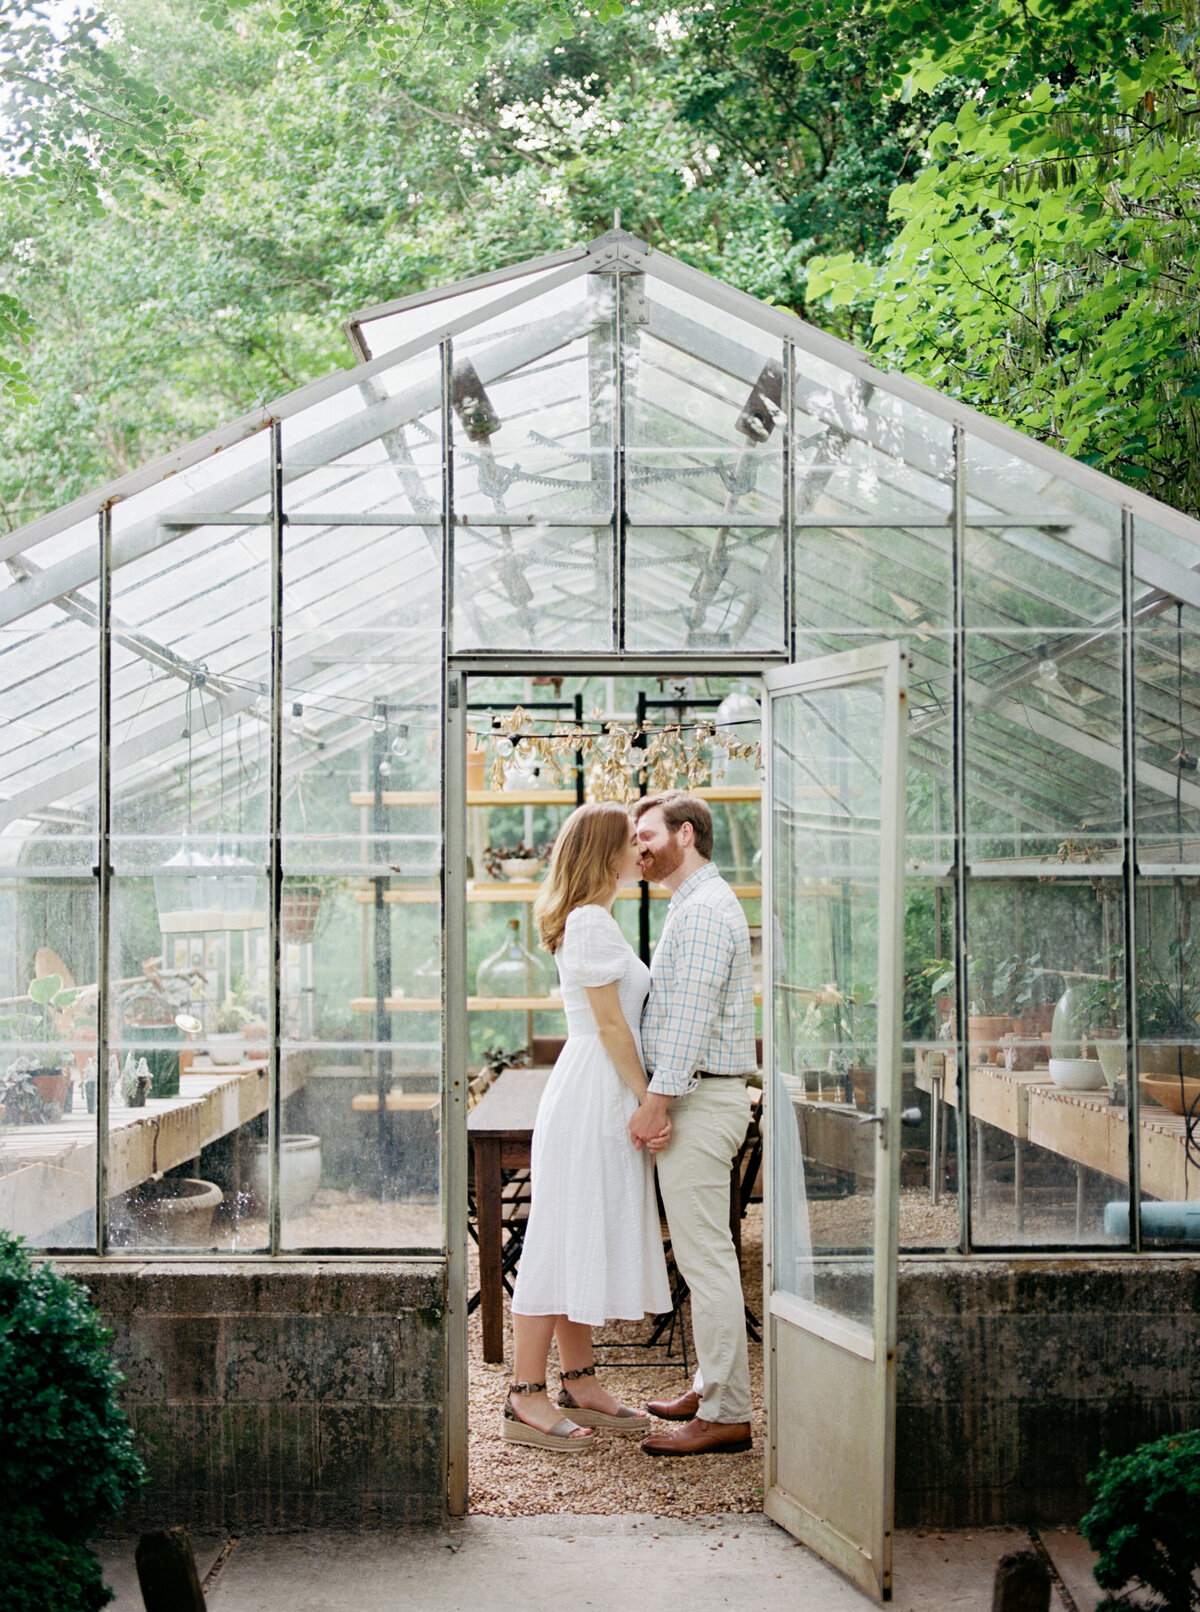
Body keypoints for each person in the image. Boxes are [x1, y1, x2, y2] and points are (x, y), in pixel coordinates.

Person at [504, 801, 673, 1453]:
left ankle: (579, 1380)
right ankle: (524, 1396)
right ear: (606, 852)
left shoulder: (590, 921)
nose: (642, 849)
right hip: (596, 1089)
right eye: (632, 840)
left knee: (577, 1233)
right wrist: (647, 1099)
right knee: (556, 1236)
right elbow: (609, 1025)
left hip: (592, 1086)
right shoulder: (593, 924)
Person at [630, 791, 757, 1457]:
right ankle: (712, 1383)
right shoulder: (693, 903)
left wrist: (657, 1100)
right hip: (698, 1097)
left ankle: (727, 1412)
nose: (638, 847)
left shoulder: (705, 911)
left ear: (686, 833)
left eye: (647, 834)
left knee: (706, 1262)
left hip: (700, 1102)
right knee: (704, 1256)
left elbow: (690, 1017)